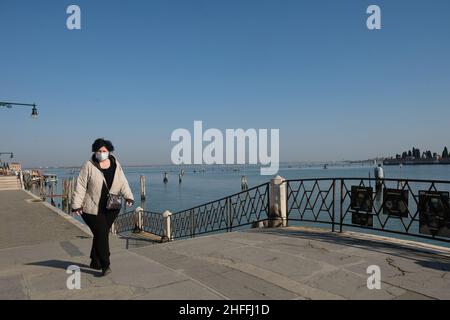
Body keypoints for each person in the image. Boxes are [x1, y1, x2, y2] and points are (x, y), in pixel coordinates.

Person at [71, 138, 134, 276]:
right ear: (95, 151)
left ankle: (94, 260)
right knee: (101, 234)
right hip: (92, 208)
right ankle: (105, 264)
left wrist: (129, 196)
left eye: (104, 151)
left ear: (109, 151)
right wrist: (76, 205)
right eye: (99, 151)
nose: (101, 153)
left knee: (101, 234)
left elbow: (122, 181)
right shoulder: (88, 165)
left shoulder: (115, 163)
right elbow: (81, 185)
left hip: (112, 207)